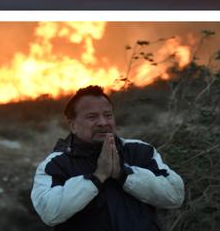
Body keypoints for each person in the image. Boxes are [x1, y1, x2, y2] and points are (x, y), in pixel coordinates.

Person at [31, 85, 184, 230]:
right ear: (73, 126)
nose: (103, 122)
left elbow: (175, 195)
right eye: (92, 117)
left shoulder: (139, 151)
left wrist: (124, 174)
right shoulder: (56, 164)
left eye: (108, 115)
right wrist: (97, 177)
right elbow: (49, 212)